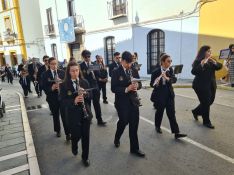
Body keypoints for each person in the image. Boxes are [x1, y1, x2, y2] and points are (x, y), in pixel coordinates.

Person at [111, 51, 145, 158]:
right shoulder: (116, 72)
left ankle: (134, 148)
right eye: (128, 63)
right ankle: (117, 137)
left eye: (131, 63)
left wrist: (137, 86)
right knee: (123, 122)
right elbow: (113, 88)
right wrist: (126, 89)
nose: (129, 65)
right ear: (123, 61)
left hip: (133, 101)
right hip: (122, 103)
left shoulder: (133, 69)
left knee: (134, 125)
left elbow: (140, 83)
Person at [60, 61, 92, 167]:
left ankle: (85, 157)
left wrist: (86, 93)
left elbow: (91, 96)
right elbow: (62, 100)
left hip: (85, 113)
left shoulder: (84, 82)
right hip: (73, 115)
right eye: (73, 71)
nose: (75, 73)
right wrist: (74, 100)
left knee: (86, 137)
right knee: (76, 135)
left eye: (77, 70)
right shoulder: (64, 84)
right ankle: (74, 145)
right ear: (68, 72)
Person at [150, 54, 187, 139]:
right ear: (162, 62)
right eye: (168, 61)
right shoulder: (155, 72)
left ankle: (176, 132)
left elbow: (174, 80)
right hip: (160, 95)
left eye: (171, 61)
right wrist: (156, 83)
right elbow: (152, 84)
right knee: (160, 112)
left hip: (169, 95)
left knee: (171, 114)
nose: (170, 63)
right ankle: (157, 126)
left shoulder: (170, 70)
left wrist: (167, 78)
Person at [191, 45, 222, 129]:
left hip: (211, 85)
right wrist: (201, 65)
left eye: (210, 51)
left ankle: (196, 111)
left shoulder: (212, 61)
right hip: (200, 86)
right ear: (203, 52)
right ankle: (206, 122)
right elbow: (193, 72)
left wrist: (215, 62)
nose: (210, 53)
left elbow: (220, 66)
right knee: (205, 103)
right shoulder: (198, 61)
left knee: (210, 102)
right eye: (208, 51)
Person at [42, 57, 70, 139]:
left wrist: (61, 83)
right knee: (55, 115)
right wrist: (52, 88)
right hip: (52, 98)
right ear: (49, 64)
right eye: (52, 64)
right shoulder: (45, 74)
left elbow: (67, 84)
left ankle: (68, 133)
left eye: (55, 64)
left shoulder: (62, 72)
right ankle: (57, 130)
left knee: (65, 116)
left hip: (62, 98)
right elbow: (43, 86)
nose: (54, 66)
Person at [79, 50, 106, 126]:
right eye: (86, 57)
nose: (88, 58)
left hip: (95, 86)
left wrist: (97, 69)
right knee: (88, 104)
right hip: (87, 88)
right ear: (83, 57)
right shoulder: (81, 66)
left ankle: (99, 120)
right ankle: (89, 118)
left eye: (89, 56)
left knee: (97, 104)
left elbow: (99, 75)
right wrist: (87, 72)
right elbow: (81, 77)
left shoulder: (94, 64)